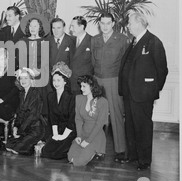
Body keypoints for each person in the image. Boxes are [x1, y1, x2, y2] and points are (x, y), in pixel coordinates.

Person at [119, 12, 168, 171]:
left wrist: (152, 90)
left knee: (143, 127)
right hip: (129, 94)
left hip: (143, 95)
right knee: (131, 126)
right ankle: (132, 155)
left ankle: (144, 160)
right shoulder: (134, 41)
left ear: (139, 23)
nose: (128, 26)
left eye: (130, 23)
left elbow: (162, 70)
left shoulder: (153, 41)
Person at [91, 14, 129, 163]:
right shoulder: (95, 39)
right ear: (99, 24)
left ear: (113, 24)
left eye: (108, 23)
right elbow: (93, 61)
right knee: (96, 116)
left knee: (116, 115)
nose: (105, 26)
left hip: (114, 79)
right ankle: (96, 148)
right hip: (97, 79)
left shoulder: (122, 39)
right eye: (102, 23)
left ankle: (121, 150)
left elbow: (126, 62)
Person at [67, 75, 109, 166]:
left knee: (79, 162)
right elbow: (78, 119)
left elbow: (99, 124)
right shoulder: (79, 98)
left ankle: (98, 151)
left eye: (84, 86)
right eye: (81, 86)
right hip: (83, 133)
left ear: (92, 86)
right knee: (71, 158)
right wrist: (78, 136)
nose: (81, 89)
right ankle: (92, 153)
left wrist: (88, 141)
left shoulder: (102, 101)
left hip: (95, 136)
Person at [5, 67, 45, 155]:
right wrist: (16, 127)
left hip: (35, 128)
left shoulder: (36, 93)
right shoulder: (21, 94)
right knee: (8, 145)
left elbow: (33, 116)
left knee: (17, 149)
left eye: (26, 78)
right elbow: (19, 113)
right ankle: (33, 143)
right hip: (25, 128)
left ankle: (37, 142)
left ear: (31, 80)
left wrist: (20, 131)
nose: (23, 80)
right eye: (21, 78)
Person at [41, 62, 76, 160]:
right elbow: (52, 117)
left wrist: (63, 136)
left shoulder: (71, 97)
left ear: (65, 81)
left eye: (58, 80)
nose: (55, 83)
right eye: (54, 80)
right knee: (46, 152)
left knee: (57, 154)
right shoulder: (50, 96)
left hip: (69, 130)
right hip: (57, 129)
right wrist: (56, 134)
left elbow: (72, 120)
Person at [19, 15, 50, 115]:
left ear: (40, 27)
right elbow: (21, 59)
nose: (32, 28)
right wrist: (26, 72)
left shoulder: (44, 41)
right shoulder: (23, 41)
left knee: (40, 103)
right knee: (28, 103)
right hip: (26, 76)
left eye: (35, 26)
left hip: (40, 75)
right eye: (30, 26)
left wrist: (38, 70)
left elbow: (46, 60)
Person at [69, 16, 94, 95]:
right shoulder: (70, 41)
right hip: (71, 83)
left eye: (73, 26)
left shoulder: (92, 41)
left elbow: (95, 64)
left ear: (82, 27)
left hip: (84, 85)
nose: (71, 29)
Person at [2, 6, 25, 71]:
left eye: (9, 16)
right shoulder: (4, 30)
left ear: (17, 16)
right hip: (6, 69)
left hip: (20, 69)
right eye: (6, 16)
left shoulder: (25, 31)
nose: (7, 18)